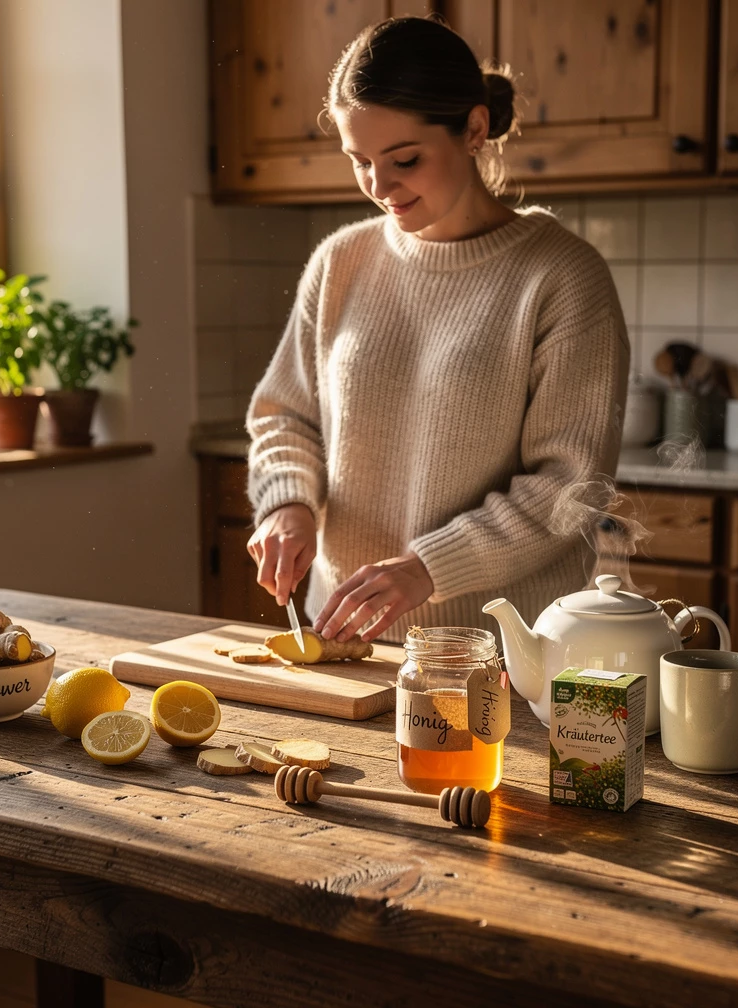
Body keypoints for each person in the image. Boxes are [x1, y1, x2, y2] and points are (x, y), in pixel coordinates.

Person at [245, 16, 629, 647]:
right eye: (358, 161)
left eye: (404, 159)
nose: (378, 186)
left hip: (503, 654)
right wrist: (287, 501)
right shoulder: (340, 262)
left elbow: (570, 483)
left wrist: (429, 568)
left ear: (474, 129)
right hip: (348, 642)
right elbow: (286, 416)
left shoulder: (562, 276)